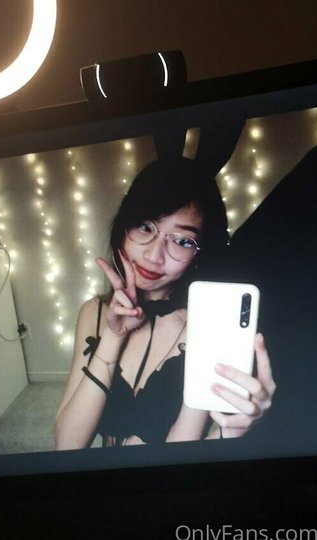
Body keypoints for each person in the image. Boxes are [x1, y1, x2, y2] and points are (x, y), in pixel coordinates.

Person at [55, 157, 275, 449]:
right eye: (145, 227)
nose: (154, 256)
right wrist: (113, 336)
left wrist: (230, 432)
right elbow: (67, 446)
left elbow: (180, 453)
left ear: (200, 252)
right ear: (124, 226)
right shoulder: (94, 312)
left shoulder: (209, 327)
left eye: (182, 241)